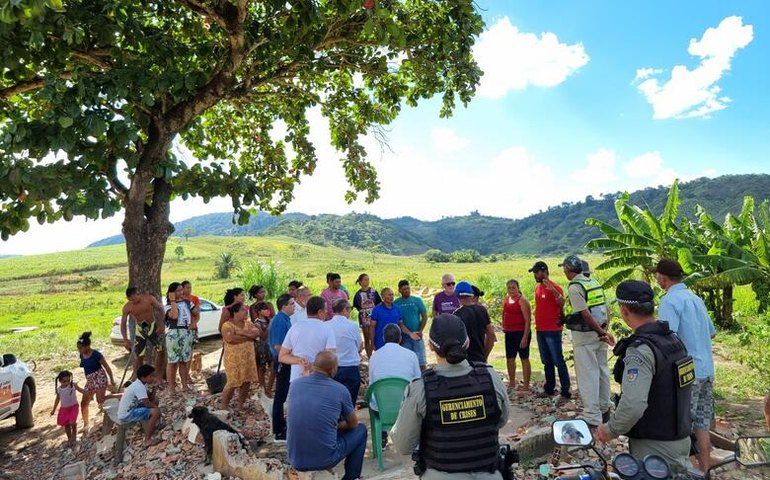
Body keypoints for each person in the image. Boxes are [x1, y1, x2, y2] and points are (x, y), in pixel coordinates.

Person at [391, 314, 510, 479]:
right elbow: (502, 420)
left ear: (431, 346)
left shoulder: (420, 388)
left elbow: (404, 445)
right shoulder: (491, 377)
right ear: (467, 343)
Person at [596, 280, 693, 476]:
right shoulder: (673, 340)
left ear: (624, 310)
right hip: (681, 439)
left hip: (655, 447)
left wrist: (610, 430)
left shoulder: (641, 351)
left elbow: (633, 404)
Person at [655, 258, 717, 473]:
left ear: (662, 277)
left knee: (683, 426)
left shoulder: (669, 301)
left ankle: (689, 472)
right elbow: (711, 331)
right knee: (701, 423)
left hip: (687, 373)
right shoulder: (695, 298)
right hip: (707, 370)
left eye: (657, 275)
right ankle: (706, 471)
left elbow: (667, 338)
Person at [287, 352, 367, 480]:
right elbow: (353, 424)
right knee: (361, 430)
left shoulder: (295, 385)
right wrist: (337, 425)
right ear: (334, 370)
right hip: (325, 459)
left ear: (313, 365)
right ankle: (352, 477)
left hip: (295, 459)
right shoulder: (340, 390)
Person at [560, 255, 614, 428]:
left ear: (568, 270)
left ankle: (592, 415)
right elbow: (606, 309)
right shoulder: (593, 282)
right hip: (600, 333)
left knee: (587, 374)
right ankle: (605, 408)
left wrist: (599, 331)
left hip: (585, 336)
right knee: (602, 370)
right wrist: (604, 331)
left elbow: (584, 313)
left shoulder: (575, 287)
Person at [529, 261, 571, 401]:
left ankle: (565, 391)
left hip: (552, 329)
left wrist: (553, 291)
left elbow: (562, 302)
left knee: (558, 360)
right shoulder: (538, 288)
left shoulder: (555, 287)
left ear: (544, 271)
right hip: (540, 329)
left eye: (537, 272)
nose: (535, 275)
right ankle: (549, 388)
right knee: (546, 361)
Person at [279, 296, 336, 382]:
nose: (327, 312)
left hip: (297, 378)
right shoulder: (327, 329)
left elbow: (282, 356)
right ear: (320, 312)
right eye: (325, 309)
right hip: (319, 379)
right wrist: (312, 366)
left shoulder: (295, 327)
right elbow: (331, 357)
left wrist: (299, 361)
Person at [120, 287, 165, 380]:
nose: (133, 301)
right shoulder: (127, 307)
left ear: (137, 294)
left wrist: (161, 324)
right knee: (139, 355)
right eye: (130, 300)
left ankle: (157, 375)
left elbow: (160, 309)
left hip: (153, 326)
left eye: (134, 298)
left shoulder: (149, 299)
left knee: (160, 351)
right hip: (140, 329)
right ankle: (138, 377)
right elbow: (123, 323)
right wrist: (125, 339)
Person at [221, 302, 260, 409]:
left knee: (246, 381)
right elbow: (231, 339)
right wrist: (248, 336)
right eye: (243, 310)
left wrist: (242, 333)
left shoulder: (248, 323)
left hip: (248, 358)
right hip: (233, 359)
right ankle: (224, 406)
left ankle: (240, 404)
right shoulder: (227, 325)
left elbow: (256, 333)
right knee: (232, 382)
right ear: (235, 312)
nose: (246, 312)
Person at [268, 293, 295, 443]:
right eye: (291, 304)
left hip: (286, 360)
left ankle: (283, 427)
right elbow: (278, 346)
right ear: (283, 306)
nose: (294, 306)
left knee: (285, 395)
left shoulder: (286, 319)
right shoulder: (279, 321)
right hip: (282, 362)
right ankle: (279, 431)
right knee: (280, 396)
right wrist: (290, 357)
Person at [77, 331, 115, 430]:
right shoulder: (82, 355)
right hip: (90, 380)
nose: (79, 350)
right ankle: (86, 424)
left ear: (87, 346)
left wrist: (111, 379)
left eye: (80, 348)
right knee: (84, 402)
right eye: (78, 348)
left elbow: (107, 367)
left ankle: (119, 396)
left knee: (100, 399)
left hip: (99, 377)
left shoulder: (96, 355)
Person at [164, 282, 198, 394]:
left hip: (186, 332)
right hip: (174, 333)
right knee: (172, 361)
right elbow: (174, 316)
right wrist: (173, 301)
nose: (180, 292)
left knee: (184, 360)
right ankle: (171, 387)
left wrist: (193, 321)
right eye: (177, 291)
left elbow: (196, 312)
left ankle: (184, 385)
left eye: (181, 290)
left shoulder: (188, 302)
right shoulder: (168, 305)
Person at [328, 299, 363, 404]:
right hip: (350, 367)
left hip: (332, 367)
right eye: (350, 309)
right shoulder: (352, 325)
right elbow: (359, 345)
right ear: (344, 310)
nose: (350, 311)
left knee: (334, 401)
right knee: (349, 402)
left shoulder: (326, 325)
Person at [117, 364, 161, 447]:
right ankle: (147, 440)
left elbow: (150, 398)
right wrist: (157, 408)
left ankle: (148, 428)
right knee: (156, 411)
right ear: (143, 378)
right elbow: (147, 403)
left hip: (132, 407)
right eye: (151, 376)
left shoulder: (143, 383)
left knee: (155, 402)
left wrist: (155, 387)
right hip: (127, 414)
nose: (153, 378)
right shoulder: (139, 386)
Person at [452, 281, 496, 363]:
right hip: (480, 358)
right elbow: (491, 334)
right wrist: (484, 356)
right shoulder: (482, 310)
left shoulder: (457, 315)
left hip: (464, 360)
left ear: (456, 295)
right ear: (472, 294)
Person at [502, 279, 532, 392]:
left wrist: (525, 337)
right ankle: (512, 382)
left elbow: (528, 321)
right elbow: (504, 312)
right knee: (510, 358)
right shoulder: (506, 299)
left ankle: (526, 385)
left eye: (513, 288)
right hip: (509, 332)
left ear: (518, 288)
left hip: (521, 332)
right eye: (509, 288)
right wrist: (504, 325)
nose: (511, 290)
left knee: (524, 358)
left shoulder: (522, 300)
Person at [394, 279, 428, 370]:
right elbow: (396, 321)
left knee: (421, 362)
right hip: (404, 337)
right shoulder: (396, 303)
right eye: (404, 289)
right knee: (407, 363)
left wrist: (420, 330)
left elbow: (424, 316)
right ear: (399, 290)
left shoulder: (417, 300)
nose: (407, 291)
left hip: (417, 335)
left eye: (408, 288)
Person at [50, 370, 84, 449]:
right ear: (60, 381)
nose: (67, 383)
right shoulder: (59, 389)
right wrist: (53, 410)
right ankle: (69, 439)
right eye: (64, 381)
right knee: (66, 425)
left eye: (68, 380)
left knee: (72, 422)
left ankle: (74, 435)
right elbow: (57, 399)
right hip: (64, 409)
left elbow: (81, 390)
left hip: (73, 407)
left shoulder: (73, 385)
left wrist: (87, 394)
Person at [352, 273, 382, 358]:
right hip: (364, 316)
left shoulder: (373, 291)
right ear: (360, 282)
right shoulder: (358, 294)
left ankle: (377, 355)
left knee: (375, 335)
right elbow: (356, 306)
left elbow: (379, 303)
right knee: (367, 336)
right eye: (365, 279)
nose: (367, 281)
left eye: (368, 279)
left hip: (374, 315)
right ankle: (369, 357)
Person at [251, 301, 275, 398]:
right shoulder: (257, 323)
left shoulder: (270, 320)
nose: (267, 311)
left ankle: (269, 388)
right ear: (259, 312)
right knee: (261, 369)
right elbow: (263, 337)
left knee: (273, 368)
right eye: (265, 309)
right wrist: (269, 327)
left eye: (267, 309)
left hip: (271, 346)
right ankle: (263, 389)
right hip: (261, 348)